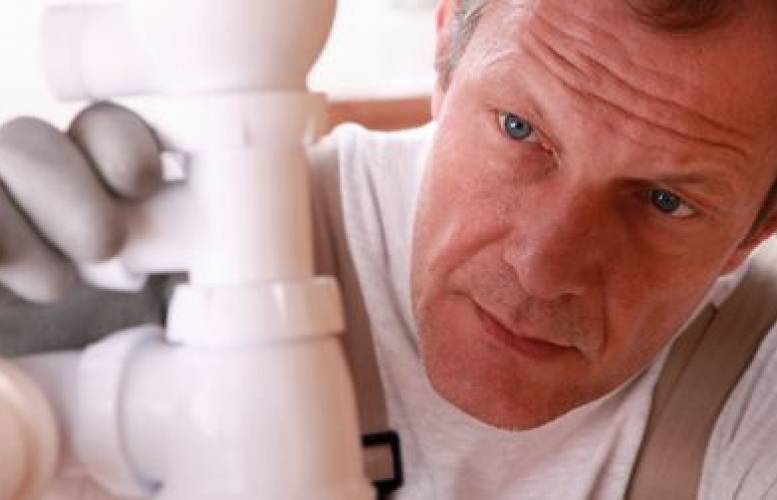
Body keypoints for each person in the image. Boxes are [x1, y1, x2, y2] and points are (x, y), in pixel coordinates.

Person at [2, 0, 777, 498]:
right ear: (445, 56)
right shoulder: (167, 262)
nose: (541, 269)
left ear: (753, 231)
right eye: (519, 130)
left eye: (664, 200)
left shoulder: (755, 391)